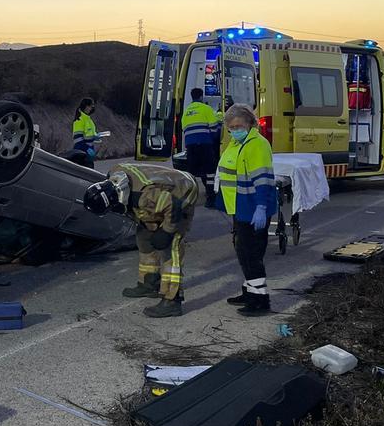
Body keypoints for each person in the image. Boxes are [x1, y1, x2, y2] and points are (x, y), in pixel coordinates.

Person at [83, 163, 197, 318]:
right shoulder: (113, 173)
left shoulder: (145, 196)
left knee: (171, 248)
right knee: (144, 237)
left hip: (182, 194)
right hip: (163, 193)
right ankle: (150, 283)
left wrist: (166, 231)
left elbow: (173, 206)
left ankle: (172, 301)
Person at [218, 104, 277, 315]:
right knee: (244, 252)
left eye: (239, 126)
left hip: (253, 208)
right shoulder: (236, 144)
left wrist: (261, 207)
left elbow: (263, 179)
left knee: (251, 254)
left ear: (250, 124)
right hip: (240, 207)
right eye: (231, 127)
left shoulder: (257, 145)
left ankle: (260, 301)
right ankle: (249, 291)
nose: (235, 130)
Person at [180, 88, 222, 208]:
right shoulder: (206, 109)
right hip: (205, 145)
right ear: (201, 97)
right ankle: (210, 199)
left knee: (192, 173)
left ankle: (188, 199)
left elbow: (185, 130)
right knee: (209, 172)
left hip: (191, 147)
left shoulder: (186, 111)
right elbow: (214, 128)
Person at [72, 97, 100, 168]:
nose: (92, 109)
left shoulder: (88, 119)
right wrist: (87, 149)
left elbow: (88, 135)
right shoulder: (79, 120)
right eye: (91, 106)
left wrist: (95, 137)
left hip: (88, 153)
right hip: (81, 154)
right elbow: (77, 140)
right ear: (86, 107)